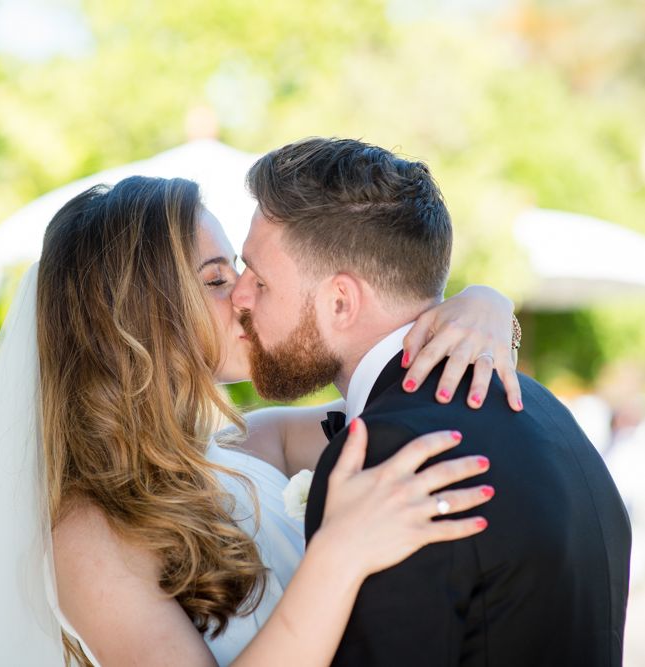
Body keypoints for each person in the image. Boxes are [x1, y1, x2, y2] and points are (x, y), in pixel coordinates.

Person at [0, 175, 515, 667]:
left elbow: (394, 401)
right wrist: (340, 554)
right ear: (139, 315)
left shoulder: (258, 442)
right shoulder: (88, 533)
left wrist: (486, 307)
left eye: (242, 273)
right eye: (215, 279)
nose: (247, 296)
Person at [233, 137, 632, 666]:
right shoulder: (546, 411)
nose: (239, 296)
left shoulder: (385, 456)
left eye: (259, 280)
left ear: (340, 302)